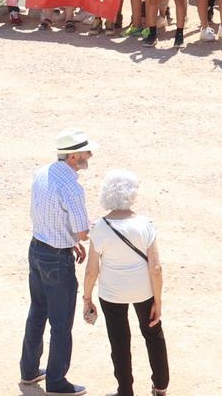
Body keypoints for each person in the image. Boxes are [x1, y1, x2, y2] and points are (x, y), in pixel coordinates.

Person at [81, 169, 167, 396]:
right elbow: (156, 269)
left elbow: (91, 270)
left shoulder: (99, 227)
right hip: (143, 291)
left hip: (112, 293)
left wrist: (87, 297)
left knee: (119, 342)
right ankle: (160, 386)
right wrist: (158, 301)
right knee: (153, 335)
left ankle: (125, 391)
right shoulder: (145, 224)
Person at [21, 130, 92, 396]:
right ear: (74, 156)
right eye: (86, 152)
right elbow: (83, 232)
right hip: (57, 259)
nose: (89, 156)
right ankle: (57, 382)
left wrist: (68, 236)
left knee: (37, 312)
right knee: (61, 323)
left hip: (37, 248)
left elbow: (49, 214)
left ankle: (29, 370)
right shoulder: (72, 187)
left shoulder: (42, 172)